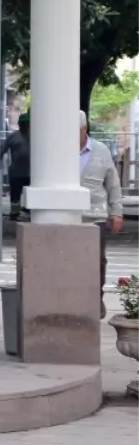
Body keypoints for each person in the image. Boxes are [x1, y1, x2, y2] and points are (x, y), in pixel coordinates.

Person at [79, 110, 124, 319]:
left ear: (84, 130)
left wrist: (116, 212)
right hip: (67, 215)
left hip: (94, 215)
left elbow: (113, 183)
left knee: (98, 260)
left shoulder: (101, 150)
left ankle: (96, 296)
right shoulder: (59, 151)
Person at [5, 113, 31, 220]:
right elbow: (2, 150)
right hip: (16, 172)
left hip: (31, 172)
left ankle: (30, 209)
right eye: (23, 123)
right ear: (19, 124)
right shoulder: (13, 136)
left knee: (30, 193)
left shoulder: (36, 136)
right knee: (15, 194)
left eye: (27, 123)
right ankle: (15, 212)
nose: (25, 125)